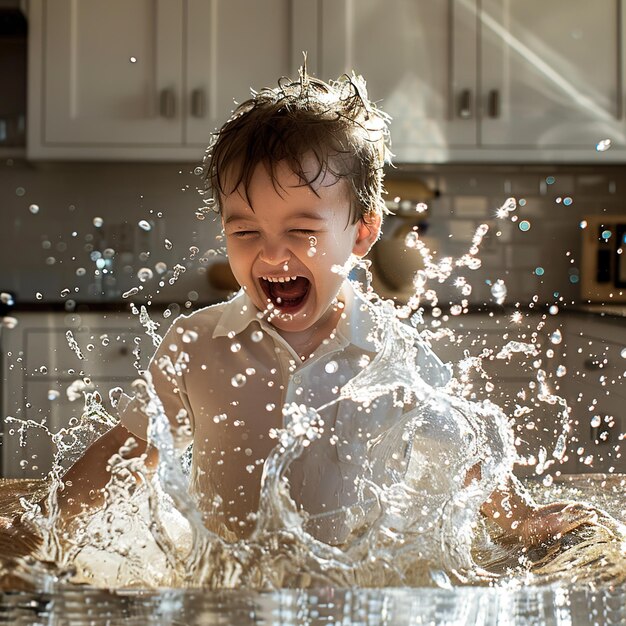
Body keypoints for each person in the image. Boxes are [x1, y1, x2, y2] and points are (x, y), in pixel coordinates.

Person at [30, 67, 597, 550]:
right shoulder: (198, 346)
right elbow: (124, 452)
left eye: (301, 229)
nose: (272, 253)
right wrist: (40, 531)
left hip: (348, 592)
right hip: (229, 594)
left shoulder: (388, 350)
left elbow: (463, 448)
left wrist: (520, 520)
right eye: (245, 230)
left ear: (361, 234)